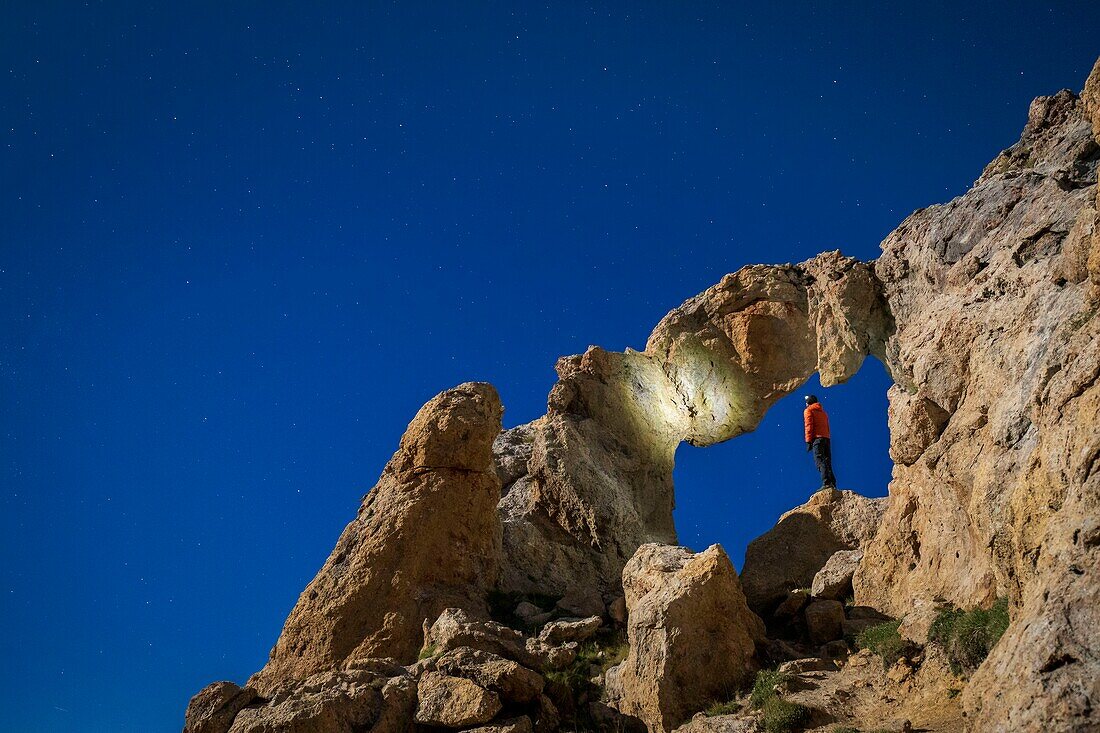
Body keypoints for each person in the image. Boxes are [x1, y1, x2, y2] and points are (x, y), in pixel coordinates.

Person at [804, 394, 837, 489]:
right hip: (826, 438)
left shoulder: (808, 410)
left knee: (820, 460)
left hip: (817, 439)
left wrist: (808, 441)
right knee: (827, 461)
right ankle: (832, 484)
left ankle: (826, 483)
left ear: (808, 402)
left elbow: (809, 426)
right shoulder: (823, 412)